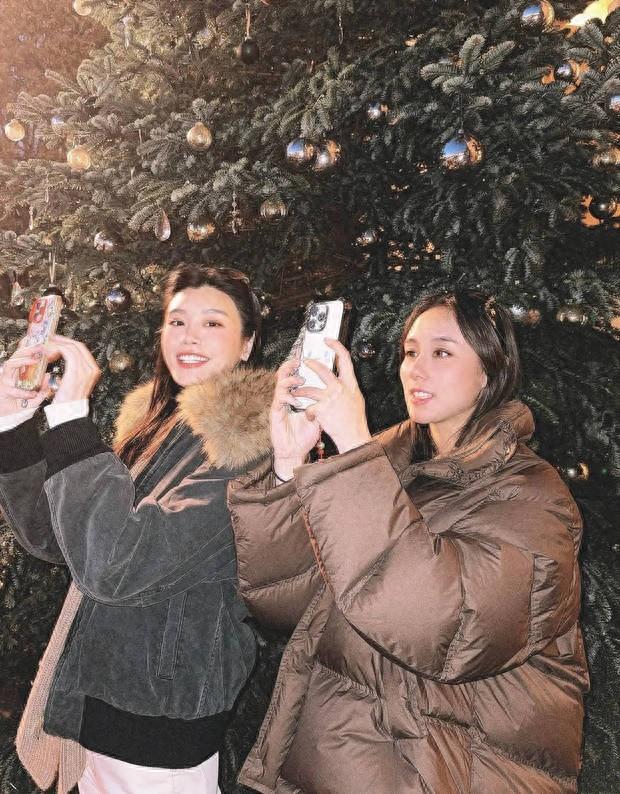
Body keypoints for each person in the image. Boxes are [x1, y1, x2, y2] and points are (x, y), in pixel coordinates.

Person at [228, 290, 589, 794]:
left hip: (453, 772)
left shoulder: (532, 496)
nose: (416, 369)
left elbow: (446, 630)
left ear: (490, 371)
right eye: (410, 352)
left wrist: (353, 451)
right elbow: (285, 602)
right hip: (347, 759)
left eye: (442, 352)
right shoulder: (386, 464)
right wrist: (289, 466)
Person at [0, 264, 274, 794]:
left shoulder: (250, 445)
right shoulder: (160, 424)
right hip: (105, 698)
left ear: (247, 344)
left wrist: (73, 419)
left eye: (212, 323)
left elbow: (115, 567)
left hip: (158, 723)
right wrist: (12, 424)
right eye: (177, 322)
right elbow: (57, 538)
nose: (189, 337)